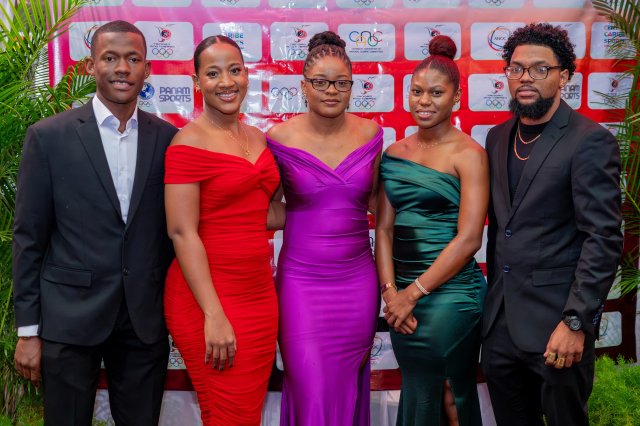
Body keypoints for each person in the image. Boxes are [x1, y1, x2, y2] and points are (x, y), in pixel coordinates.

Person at [12, 20, 178, 425]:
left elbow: (174, 232)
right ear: (91, 66)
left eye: (133, 59)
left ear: (147, 69)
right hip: (69, 318)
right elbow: (29, 238)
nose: (122, 68)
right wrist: (28, 331)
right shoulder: (48, 137)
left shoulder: (169, 139)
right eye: (110, 58)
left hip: (143, 321)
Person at [481, 23, 623, 426]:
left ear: (564, 76)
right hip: (501, 325)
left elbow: (602, 238)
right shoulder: (497, 138)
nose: (525, 77)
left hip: (557, 326)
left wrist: (576, 322)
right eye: (516, 68)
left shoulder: (588, 140)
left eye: (540, 69)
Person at [266, 31, 381, 426]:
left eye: (341, 83)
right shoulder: (279, 138)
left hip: (357, 283)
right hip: (302, 284)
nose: (331, 91)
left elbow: (376, 202)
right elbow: (268, 207)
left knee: (346, 387)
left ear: (351, 87)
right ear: (304, 87)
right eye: (321, 82)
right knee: (311, 390)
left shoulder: (371, 134)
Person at [163, 35, 279, 425]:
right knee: (230, 413)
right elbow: (182, 232)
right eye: (213, 74)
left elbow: (264, 213)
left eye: (235, 70)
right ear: (197, 82)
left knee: (241, 414)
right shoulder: (187, 143)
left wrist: (338, 207)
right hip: (207, 298)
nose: (226, 82)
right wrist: (213, 314)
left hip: (259, 295)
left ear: (247, 75)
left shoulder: (258, 138)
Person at [376, 35, 488, 426]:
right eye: (417, 91)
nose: (424, 101)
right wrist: (391, 293)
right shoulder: (393, 154)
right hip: (402, 295)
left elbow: (470, 239)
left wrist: (412, 294)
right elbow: (384, 229)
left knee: (449, 390)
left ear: (456, 97)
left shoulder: (470, 155)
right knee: (419, 387)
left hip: (452, 295)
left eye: (436, 93)